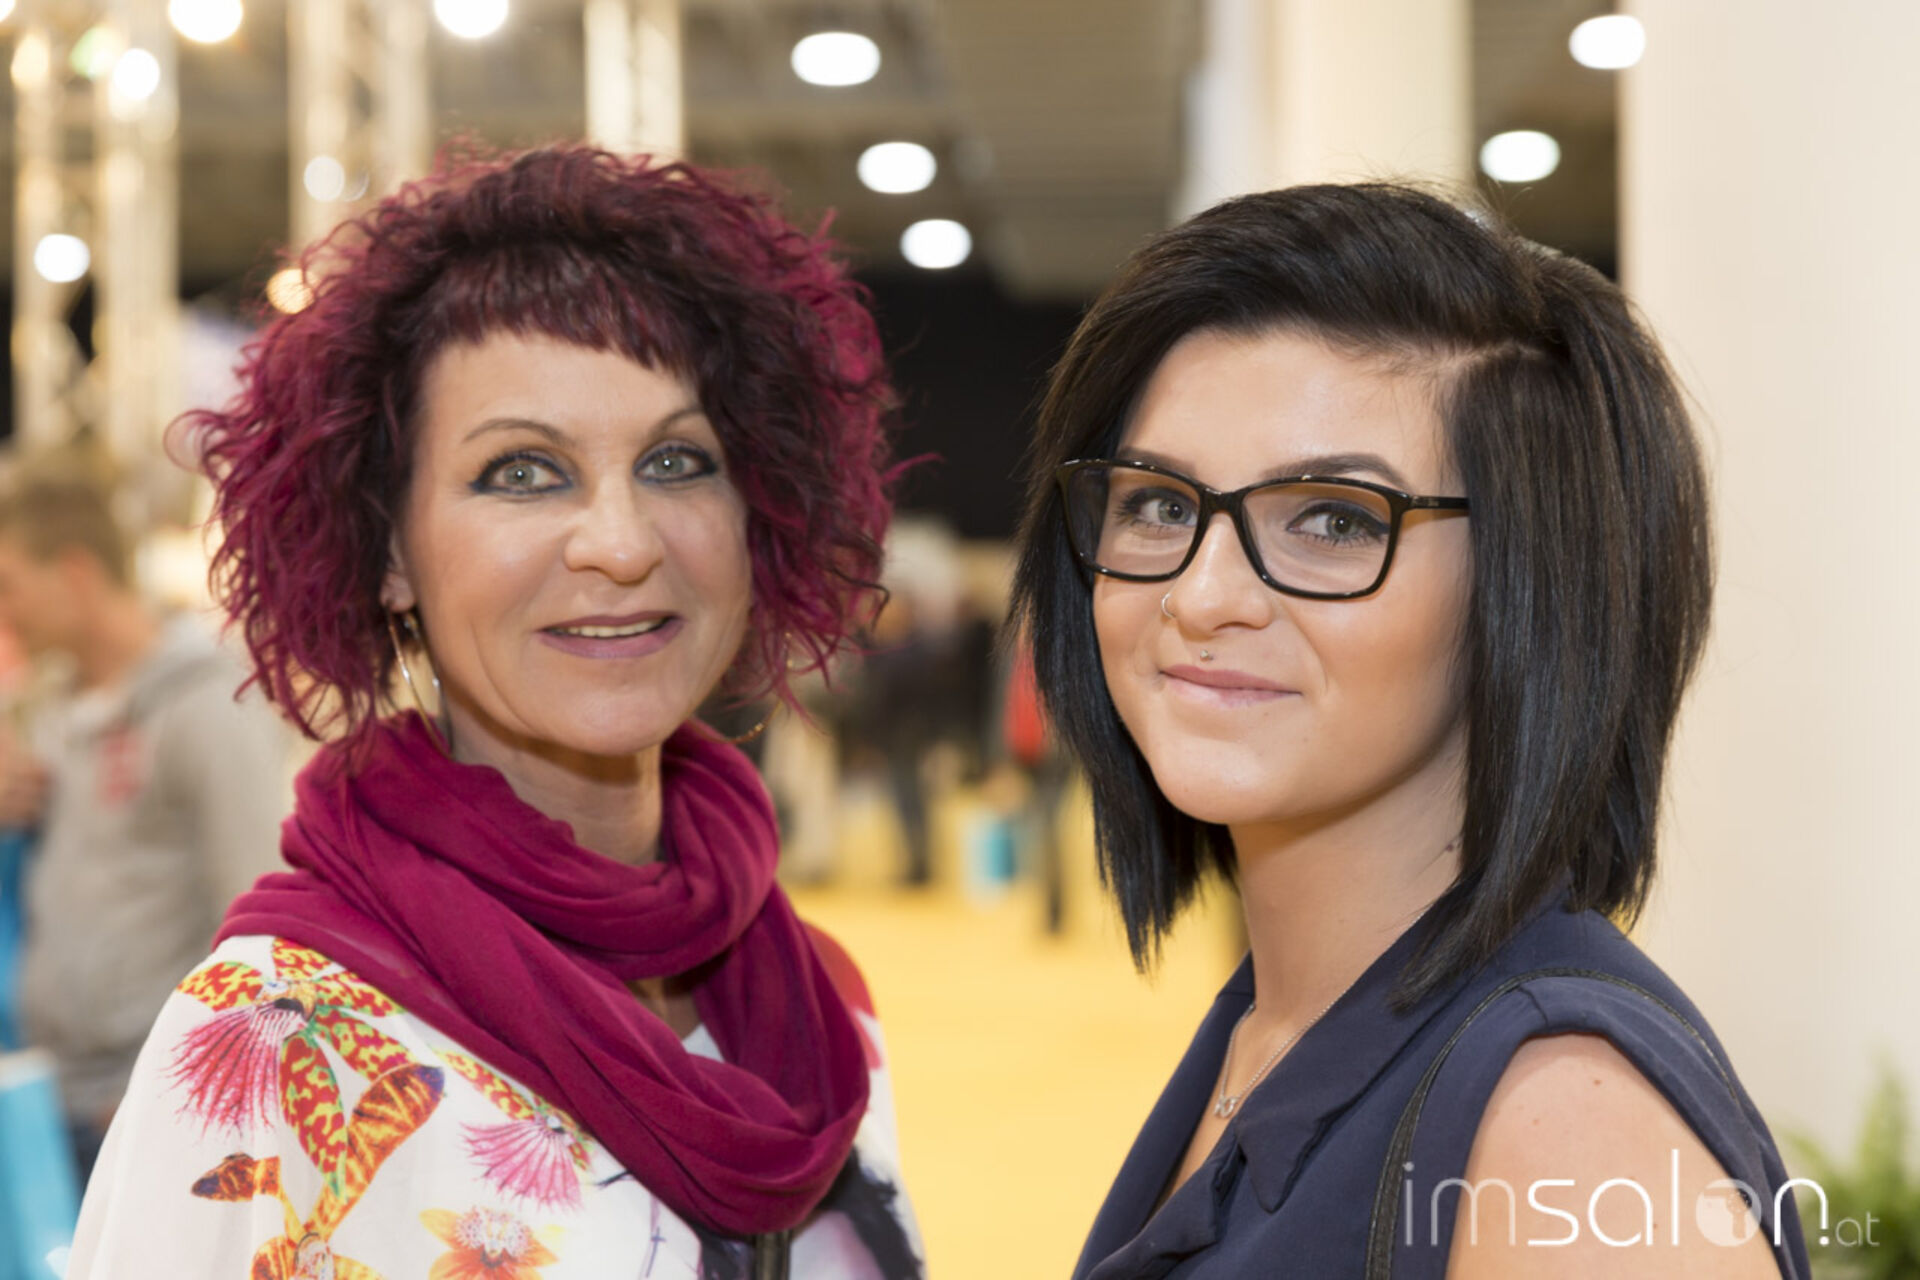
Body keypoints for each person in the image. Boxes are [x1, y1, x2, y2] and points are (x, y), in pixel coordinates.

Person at [69, 145, 923, 1280]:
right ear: (388, 551)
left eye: (678, 460)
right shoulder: (267, 1044)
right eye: (522, 471)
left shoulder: (815, 997)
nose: (621, 542)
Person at [1010, 183, 1811, 1279]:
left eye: (1334, 520)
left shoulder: (1565, 1139)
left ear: (1529, 584)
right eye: (1160, 503)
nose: (1202, 596)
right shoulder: (1277, 1024)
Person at [0, 476, 291, 1175]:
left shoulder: (209, 705)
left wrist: (173, 1096)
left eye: (10, 585)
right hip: (58, 1099)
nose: (6, 612)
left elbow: (255, 922)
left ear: (75, 572)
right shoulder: (52, 712)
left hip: (148, 1109)